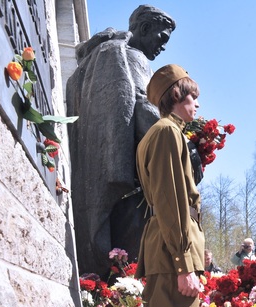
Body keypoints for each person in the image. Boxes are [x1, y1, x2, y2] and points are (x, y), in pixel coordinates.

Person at [67, 5, 176, 274]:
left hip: (91, 177)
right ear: (145, 28)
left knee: (112, 256)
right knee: (128, 263)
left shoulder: (94, 58)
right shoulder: (132, 56)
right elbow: (142, 104)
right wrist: (182, 140)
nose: (162, 48)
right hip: (129, 185)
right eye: (161, 38)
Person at [135, 64, 205, 307]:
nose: (197, 105)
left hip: (168, 249)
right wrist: (183, 265)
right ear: (176, 95)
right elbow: (171, 199)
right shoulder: (167, 132)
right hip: (172, 253)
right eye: (193, 97)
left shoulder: (160, 132)